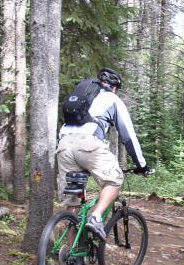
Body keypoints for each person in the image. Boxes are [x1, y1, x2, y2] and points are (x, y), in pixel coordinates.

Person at [56, 68, 150, 239]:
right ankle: (96, 217)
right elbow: (128, 137)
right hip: (87, 143)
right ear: (114, 87)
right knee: (114, 179)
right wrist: (141, 165)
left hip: (63, 144)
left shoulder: (83, 95)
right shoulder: (112, 98)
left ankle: (71, 256)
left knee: (73, 200)